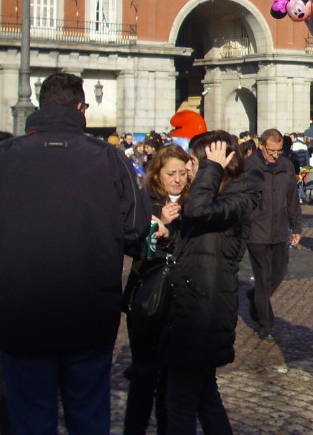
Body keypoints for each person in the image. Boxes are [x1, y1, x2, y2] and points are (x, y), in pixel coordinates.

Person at [0, 73, 151, 434]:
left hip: (22, 311)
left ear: (40, 105)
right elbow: (136, 226)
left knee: (31, 419)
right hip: (89, 309)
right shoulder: (110, 159)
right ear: (81, 107)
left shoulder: (4, 156)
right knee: (87, 417)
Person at [161, 131, 259, 435]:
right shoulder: (214, 192)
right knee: (204, 395)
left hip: (203, 310)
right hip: (193, 304)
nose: (188, 169)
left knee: (180, 401)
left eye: (194, 162)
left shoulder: (240, 196)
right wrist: (168, 228)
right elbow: (193, 241)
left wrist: (210, 168)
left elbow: (200, 212)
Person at [123, 144, 192, 435]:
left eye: (182, 173)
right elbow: (130, 245)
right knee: (145, 374)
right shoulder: (144, 201)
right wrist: (157, 225)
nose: (177, 179)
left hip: (180, 297)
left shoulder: (194, 202)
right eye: (171, 173)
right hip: (148, 295)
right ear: (157, 174)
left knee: (171, 377)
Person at [247, 129, 302, 340]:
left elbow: (292, 199)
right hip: (257, 230)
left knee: (278, 272)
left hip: (279, 229)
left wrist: (296, 227)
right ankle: (266, 323)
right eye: (271, 151)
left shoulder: (286, 166)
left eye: (278, 151)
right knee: (262, 277)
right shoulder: (250, 166)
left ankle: (256, 298)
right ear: (261, 146)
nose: (274, 155)